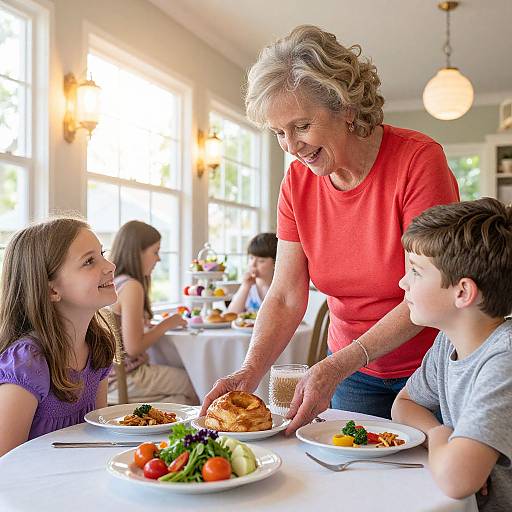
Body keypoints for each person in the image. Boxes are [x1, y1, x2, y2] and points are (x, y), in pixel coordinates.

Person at [200, 24, 459, 431]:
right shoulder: (296, 185)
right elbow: (285, 296)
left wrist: (338, 363)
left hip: (431, 371)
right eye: (278, 133)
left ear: (346, 108)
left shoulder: (417, 162)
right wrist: (249, 372)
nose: (291, 146)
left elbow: (432, 288)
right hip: (352, 373)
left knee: (436, 486)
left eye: (302, 126)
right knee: (351, 483)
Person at [392, 198, 512, 509]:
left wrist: (443, 443)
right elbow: (404, 403)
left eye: (416, 272)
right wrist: (440, 433)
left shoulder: (504, 360)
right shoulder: (448, 343)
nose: (402, 281)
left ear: (462, 292)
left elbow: (457, 480)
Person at [0, 218, 117, 456]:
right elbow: (5, 468)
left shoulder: (98, 346)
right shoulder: (26, 364)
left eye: (102, 253)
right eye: (89, 261)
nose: (110, 266)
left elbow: (99, 437)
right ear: (52, 290)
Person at [107, 220, 198, 405]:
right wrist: (168, 324)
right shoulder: (131, 286)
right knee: (194, 383)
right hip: (125, 378)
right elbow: (134, 348)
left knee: (179, 398)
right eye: (155, 252)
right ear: (137, 252)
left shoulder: (115, 282)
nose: (159, 259)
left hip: (106, 379)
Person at [227, 233, 278, 313]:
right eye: (251, 258)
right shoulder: (249, 287)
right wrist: (245, 286)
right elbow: (232, 314)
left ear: (275, 263)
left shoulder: (280, 288)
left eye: (261, 261)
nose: (253, 264)